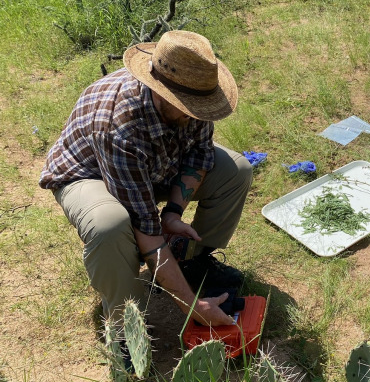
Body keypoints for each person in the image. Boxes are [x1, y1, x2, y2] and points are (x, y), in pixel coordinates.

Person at [39, 30, 253, 327]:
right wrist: (191, 307)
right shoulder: (119, 125)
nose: (196, 115)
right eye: (189, 108)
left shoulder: (194, 98)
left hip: (152, 167)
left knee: (236, 170)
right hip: (89, 175)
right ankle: (126, 323)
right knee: (110, 225)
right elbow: (146, 232)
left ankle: (192, 262)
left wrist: (173, 213)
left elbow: (199, 155)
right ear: (162, 92)